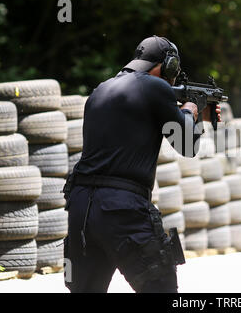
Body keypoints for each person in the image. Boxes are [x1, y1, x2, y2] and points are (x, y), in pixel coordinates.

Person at [62, 35, 221, 293]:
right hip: (121, 208)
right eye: (174, 71)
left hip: (81, 208)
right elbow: (187, 145)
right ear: (168, 65)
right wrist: (193, 111)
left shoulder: (101, 89)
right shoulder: (154, 88)